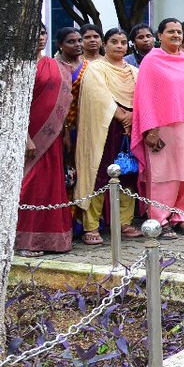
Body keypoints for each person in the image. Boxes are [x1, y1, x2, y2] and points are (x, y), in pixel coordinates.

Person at [131, 18, 184, 239]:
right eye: (171, 32)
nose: (176, 35)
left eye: (179, 32)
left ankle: (182, 217)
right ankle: (159, 219)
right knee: (165, 175)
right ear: (160, 36)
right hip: (162, 128)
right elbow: (144, 97)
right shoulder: (151, 61)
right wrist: (150, 130)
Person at [75, 28, 139, 246]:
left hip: (130, 130)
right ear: (105, 44)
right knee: (100, 176)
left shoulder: (133, 71)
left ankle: (124, 222)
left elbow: (141, 96)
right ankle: (91, 226)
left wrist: (132, 118)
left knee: (129, 175)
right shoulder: (96, 69)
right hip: (104, 129)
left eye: (123, 42)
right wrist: (122, 116)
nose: (119, 46)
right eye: (114, 42)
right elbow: (99, 96)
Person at [16, 31, 75, 256]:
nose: (40, 37)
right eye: (35, 32)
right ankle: (25, 242)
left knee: (50, 185)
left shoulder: (55, 65)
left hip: (53, 137)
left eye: (42, 33)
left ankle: (51, 241)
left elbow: (63, 103)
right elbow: (17, 106)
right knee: (29, 186)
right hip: (30, 137)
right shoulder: (19, 66)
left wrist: (66, 132)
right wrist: (25, 137)